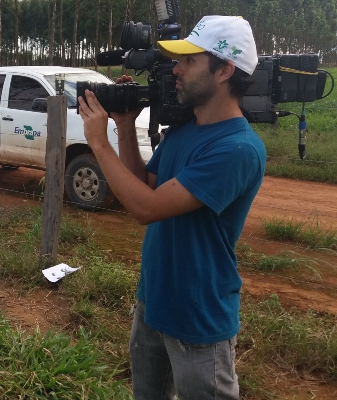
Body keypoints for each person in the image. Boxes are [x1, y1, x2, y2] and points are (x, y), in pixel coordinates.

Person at [78, 16, 266, 399]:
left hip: (197, 316)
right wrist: (126, 127)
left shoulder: (236, 149)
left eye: (189, 61)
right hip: (155, 301)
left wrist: (99, 144)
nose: (175, 70)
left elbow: (146, 208)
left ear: (225, 70)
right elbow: (145, 186)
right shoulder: (185, 130)